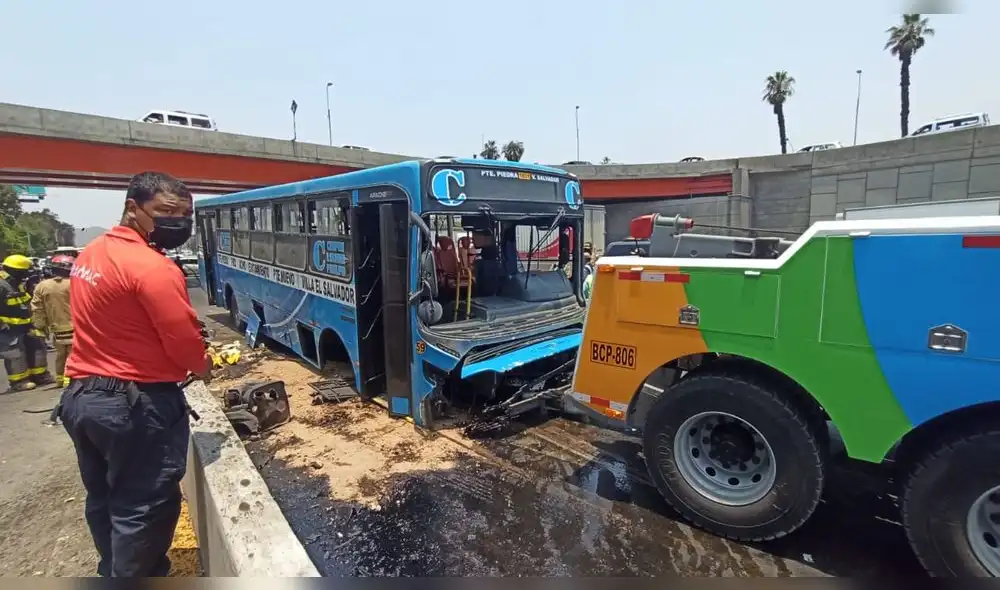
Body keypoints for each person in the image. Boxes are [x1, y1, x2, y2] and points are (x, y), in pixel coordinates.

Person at [58, 171, 212, 577]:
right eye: (165, 212)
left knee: (105, 498)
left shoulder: (91, 254)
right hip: (134, 404)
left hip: (82, 399)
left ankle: (112, 570)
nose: (177, 222)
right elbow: (183, 341)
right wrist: (203, 367)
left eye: (184, 215)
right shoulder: (153, 267)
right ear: (132, 207)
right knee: (143, 507)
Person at [0, 254, 52, 391]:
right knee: (15, 354)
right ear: (14, 270)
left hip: (26, 324)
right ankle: (19, 382)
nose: (26, 275)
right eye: (23, 272)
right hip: (8, 328)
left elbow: (26, 302)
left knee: (37, 346)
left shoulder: (16, 283)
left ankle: (40, 376)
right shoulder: (1, 285)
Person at [31, 254, 75, 387]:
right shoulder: (74, 283)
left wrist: (40, 326)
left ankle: (60, 379)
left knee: (60, 355)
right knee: (74, 355)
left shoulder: (41, 286)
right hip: (76, 326)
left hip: (56, 328)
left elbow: (37, 308)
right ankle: (71, 379)